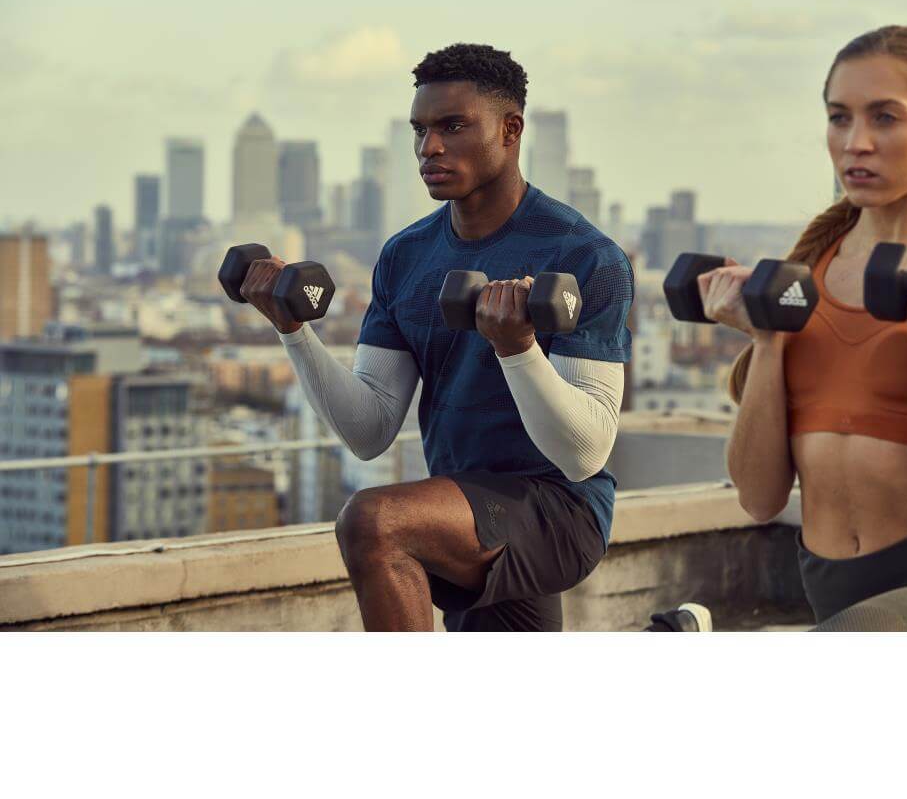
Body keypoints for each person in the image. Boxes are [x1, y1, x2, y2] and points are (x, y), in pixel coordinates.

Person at [241, 42, 634, 631]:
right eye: (419, 130)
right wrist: (293, 330)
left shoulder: (585, 255)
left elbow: (584, 455)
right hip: (459, 505)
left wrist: (517, 348)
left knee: (374, 522)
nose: (430, 148)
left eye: (452, 126)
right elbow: (370, 428)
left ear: (510, 129)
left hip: (557, 510)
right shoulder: (406, 255)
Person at [707, 25, 907, 631]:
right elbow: (759, 499)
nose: (856, 142)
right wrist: (768, 339)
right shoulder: (802, 273)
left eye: (885, 118)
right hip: (835, 590)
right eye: (840, 118)